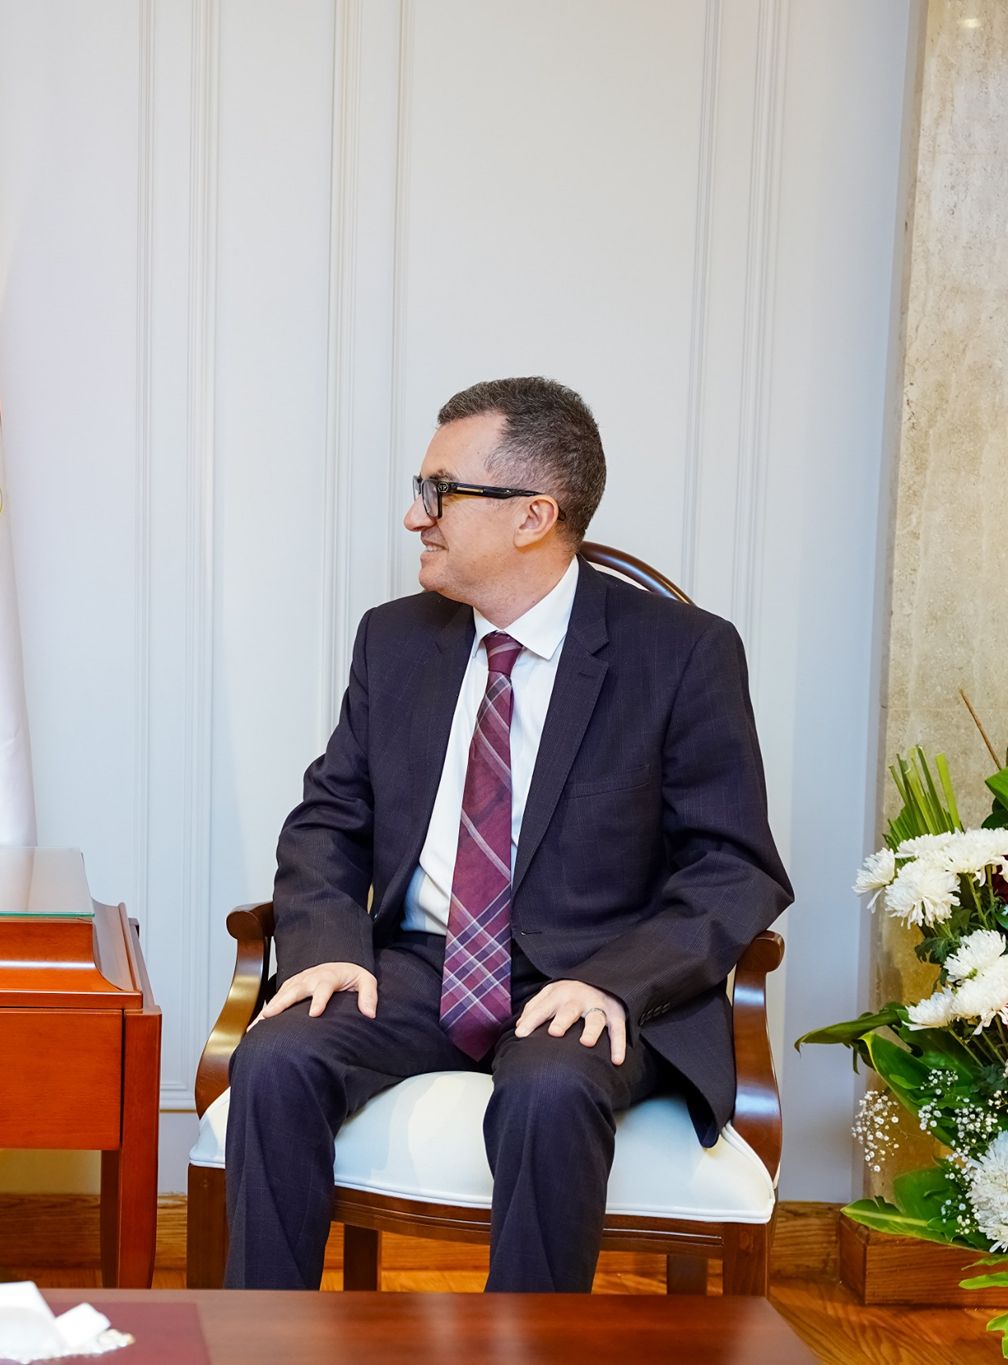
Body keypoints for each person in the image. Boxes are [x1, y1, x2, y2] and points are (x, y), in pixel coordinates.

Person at [223, 376, 791, 1293]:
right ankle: (257, 1343)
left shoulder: (682, 653)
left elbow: (734, 866)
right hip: (422, 963)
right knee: (277, 1055)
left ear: (533, 515)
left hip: (594, 973)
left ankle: (523, 1348)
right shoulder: (396, 641)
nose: (416, 517)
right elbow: (329, 818)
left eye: (440, 492)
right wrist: (327, 947)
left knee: (553, 1086)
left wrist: (616, 982)